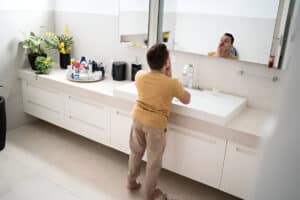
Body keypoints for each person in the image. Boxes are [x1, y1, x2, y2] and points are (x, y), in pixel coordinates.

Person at [127, 43, 191, 200]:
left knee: (135, 152)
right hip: (155, 126)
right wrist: (169, 75)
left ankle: (131, 181)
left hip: (137, 119)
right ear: (167, 62)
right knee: (153, 162)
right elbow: (187, 99)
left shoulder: (140, 75)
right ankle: (150, 194)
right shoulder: (172, 83)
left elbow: (152, 86)